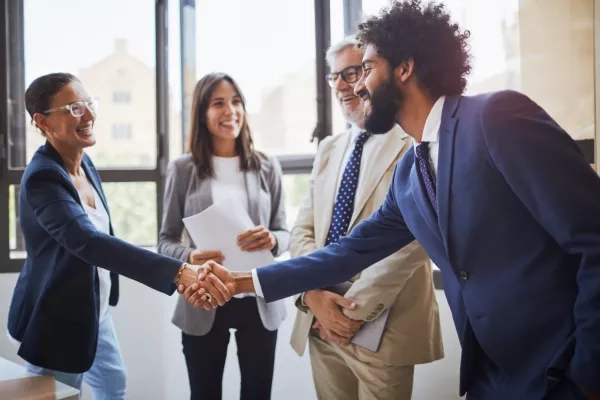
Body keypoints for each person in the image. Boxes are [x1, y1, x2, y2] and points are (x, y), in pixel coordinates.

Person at [184, 1, 600, 399]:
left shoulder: (496, 118)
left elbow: (593, 238)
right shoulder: (410, 174)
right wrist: (242, 281)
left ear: (405, 68)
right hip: (492, 377)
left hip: (562, 370)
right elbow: (347, 253)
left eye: (365, 69)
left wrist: (589, 374)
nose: (358, 85)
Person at [7, 73, 228, 399]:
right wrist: (178, 271)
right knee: (60, 393)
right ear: (43, 122)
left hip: (94, 310)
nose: (89, 115)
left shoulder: (84, 162)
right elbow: (89, 241)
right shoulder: (42, 178)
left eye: (87, 104)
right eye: (73, 108)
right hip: (59, 316)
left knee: (113, 385)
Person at [288, 36, 442, 400]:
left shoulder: (412, 140)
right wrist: (314, 296)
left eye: (352, 72)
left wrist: (353, 311)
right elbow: (302, 230)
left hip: (384, 329)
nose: (342, 85)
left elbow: (414, 239)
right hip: (320, 324)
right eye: (334, 76)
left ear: (376, 74)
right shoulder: (329, 148)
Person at [158, 72, 288, 400]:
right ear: (203, 113)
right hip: (203, 296)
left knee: (257, 394)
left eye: (236, 101)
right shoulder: (183, 169)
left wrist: (273, 240)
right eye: (218, 103)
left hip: (257, 297)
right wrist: (189, 256)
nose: (230, 110)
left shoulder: (267, 166)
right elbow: (165, 240)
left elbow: (286, 232)